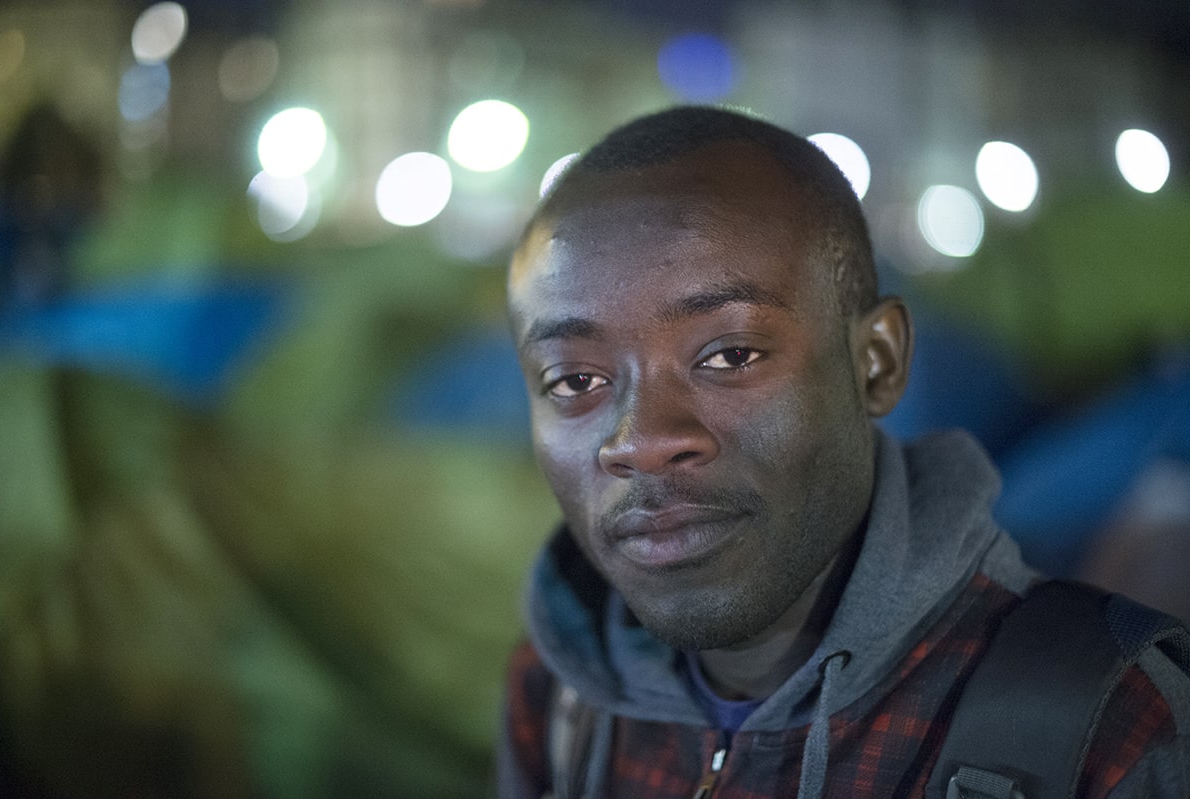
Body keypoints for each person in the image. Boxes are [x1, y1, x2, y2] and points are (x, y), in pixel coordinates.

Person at [496, 106, 1190, 798]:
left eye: (731, 355)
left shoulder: (1105, 728)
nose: (641, 441)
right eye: (575, 380)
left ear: (876, 363)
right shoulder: (564, 698)